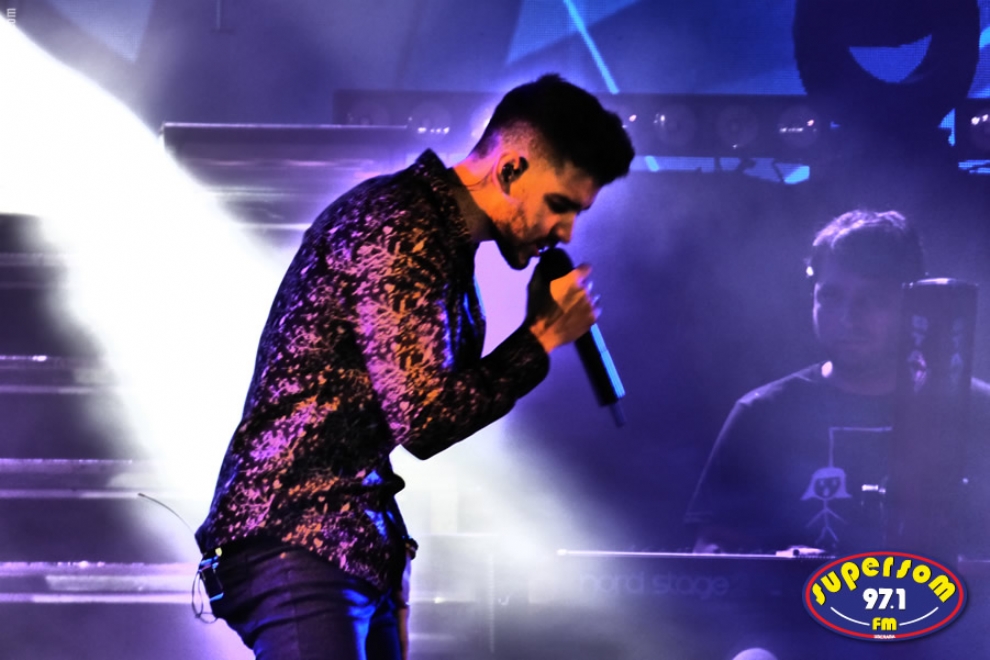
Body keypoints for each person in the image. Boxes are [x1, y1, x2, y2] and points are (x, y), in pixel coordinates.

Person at [194, 73, 634, 660]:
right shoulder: (400, 226)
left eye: (577, 213)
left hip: (347, 545)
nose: (566, 231)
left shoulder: (446, 246)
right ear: (510, 170)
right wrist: (541, 338)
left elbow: (382, 423)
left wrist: (389, 570)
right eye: (559, 205)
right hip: (294, 535)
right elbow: (424, 420)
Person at [685, 209, 990, 557]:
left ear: (913, 303)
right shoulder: (762, 415)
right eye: (831, 297)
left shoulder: (978, 413)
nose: (848, 318)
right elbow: (711, 553)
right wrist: (779, 568)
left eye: (872, 299)